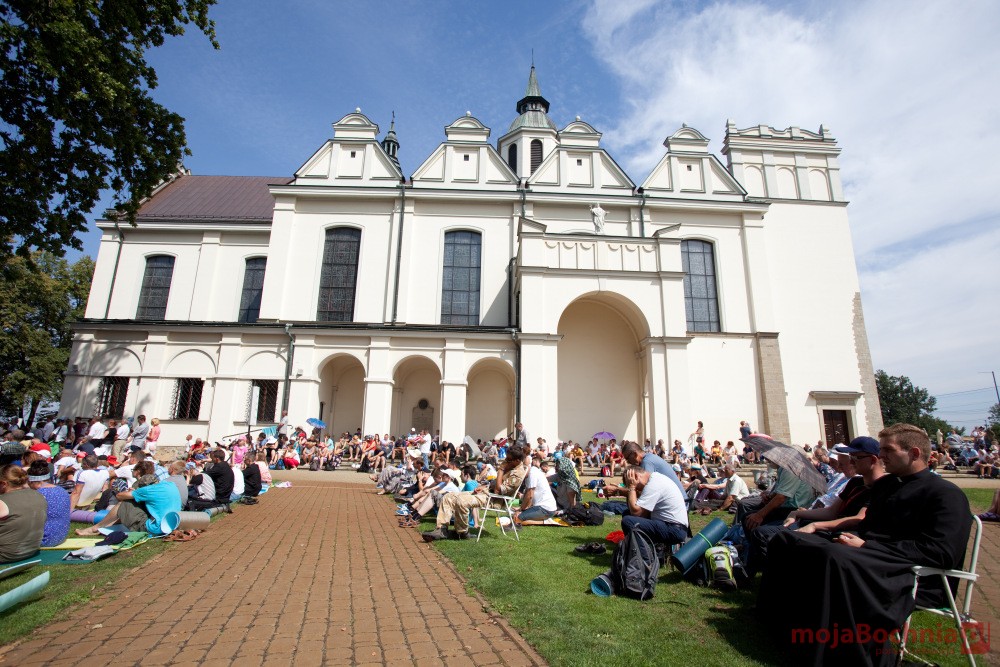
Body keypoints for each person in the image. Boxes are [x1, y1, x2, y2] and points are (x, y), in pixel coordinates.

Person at [758, 424, 973, 665]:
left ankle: (834, 651)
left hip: (912, 573)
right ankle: (783, 626)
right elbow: (869, 527)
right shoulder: (887, 486)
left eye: (888, 450)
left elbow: (941, 552)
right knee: (788, 539)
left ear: (914, 453)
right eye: (881, 450)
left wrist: (867, 546)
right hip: (873, 556)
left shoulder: (945, 494)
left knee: (834, 558)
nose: (881, 456)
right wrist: (840, 535)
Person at [421, 444, 529, 541]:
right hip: (486, 492)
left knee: (461, 501)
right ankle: (441, 529)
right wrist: (483, 487)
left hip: (494, 499)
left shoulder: (518, 474)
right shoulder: (510, 465)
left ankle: (462, 532)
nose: (506, 461)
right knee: (448, 496)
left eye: (509, 459)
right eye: (506, 458)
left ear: (517, 461)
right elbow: (495, 484)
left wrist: (501, 470)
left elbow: (498, 490)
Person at [76, 474, 181, 536]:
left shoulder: (148, 490)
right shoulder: (170, 485)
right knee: (134, 506)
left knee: (125, 504)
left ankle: (94, 528)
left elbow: (120, 496)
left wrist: (134, 492)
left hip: (155, 529)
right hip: (173, 524)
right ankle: (105, 528)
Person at [619, 466, 688, 548]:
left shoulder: (653, 484)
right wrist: (631, 490)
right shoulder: (655, 479)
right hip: (673, 526)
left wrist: (632, 487)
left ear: (636, 477)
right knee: (627, 513)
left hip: (674, 529)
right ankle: (642, 548)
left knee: (628, 521)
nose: (637, 490)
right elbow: (637, 512)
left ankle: (642, 554)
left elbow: (636, 512)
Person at [0, 464, 48, 562]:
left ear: (4, 483)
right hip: (31, 550)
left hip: (6, 554)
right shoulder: (39, 495)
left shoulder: (2, 501)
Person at [26, 460, 71, 547]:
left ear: (30, 481)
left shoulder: (37, 494)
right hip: (61, 536)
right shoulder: (62, 490)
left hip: (45, 539)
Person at [513, 460, 558, 525]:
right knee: (515, 515)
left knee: (517, 519)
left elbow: (530, 495)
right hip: (542, 507)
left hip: (545, 509)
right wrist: (521, 508)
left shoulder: (532, 474)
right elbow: (529, 496)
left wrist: (521, 510)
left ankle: (545, 522)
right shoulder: (532, 472)